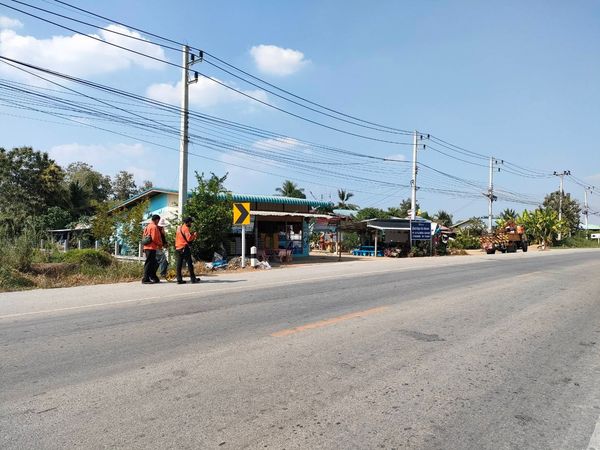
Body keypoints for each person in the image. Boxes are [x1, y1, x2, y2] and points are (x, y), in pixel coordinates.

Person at [175, 217, 199, 284]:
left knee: (179, 264)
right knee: (189, 263)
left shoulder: (179, 228)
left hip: (178, 247)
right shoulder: (186, 228)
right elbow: (189, 239)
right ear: (188, 222)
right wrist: (194, 235)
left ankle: (179, 279)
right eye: (190, 222)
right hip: (184, 247)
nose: (191, 224)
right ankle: (193, 279)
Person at [142, 214, 163, 284]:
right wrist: (160, 244)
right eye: (158, 220)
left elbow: (144, 236)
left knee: (152, 263)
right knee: (149, 263)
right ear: (157, 220)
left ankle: (152, 277)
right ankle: (145, 279)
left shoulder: (147, 226)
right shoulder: (154, 227)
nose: (158, 222)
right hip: (151, 247)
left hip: (147, 247)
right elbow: (154, 238)